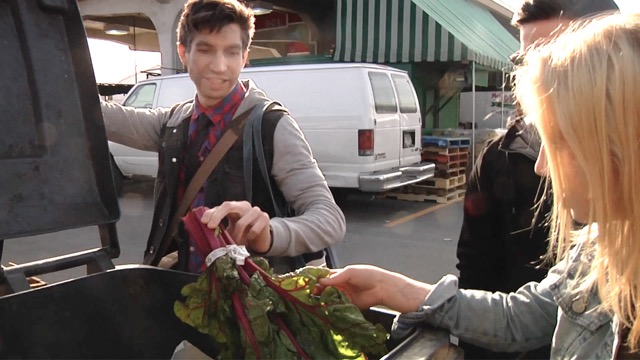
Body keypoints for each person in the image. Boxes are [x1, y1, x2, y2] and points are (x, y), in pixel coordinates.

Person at [321, 12, 640, 359]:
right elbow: (523, 316)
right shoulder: (601, 246)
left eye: (559, 142)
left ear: (619, 146)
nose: (542, 167)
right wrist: (389, 287)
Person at [101, 0, 345, 272]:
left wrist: (270, 234)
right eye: (205, 50)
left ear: (244, 56)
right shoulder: (174, 123)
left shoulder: (271, 126)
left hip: (251, 302)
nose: (219, 66)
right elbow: (107, 118)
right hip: (186, 294)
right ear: (183, 53)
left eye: (231, 52)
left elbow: (330, 218)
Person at [456, 0, 618, 357]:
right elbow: (508, 301)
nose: (535, 74)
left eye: (558, 56)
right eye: (524, 61)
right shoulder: (498, 156)